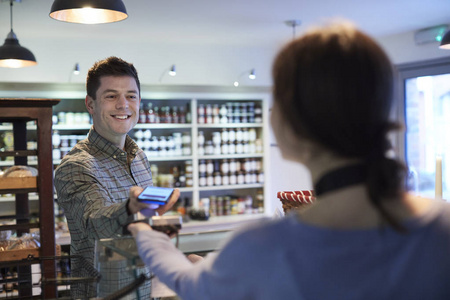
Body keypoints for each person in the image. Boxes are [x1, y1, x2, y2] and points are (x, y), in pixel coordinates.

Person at [127, 21, 450, 300]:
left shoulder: (264, 246)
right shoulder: (441, 227)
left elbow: (188, 284)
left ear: (292, 125)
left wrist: (148, 235)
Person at [54, 56, 177, 299]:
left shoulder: (139, 158)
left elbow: (144, 230)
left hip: (146, 291)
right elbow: (95, 224)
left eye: (131, 96)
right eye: (111, 96)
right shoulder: (76, 166)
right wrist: (130, 208)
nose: (123, 105)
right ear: (90, 104)